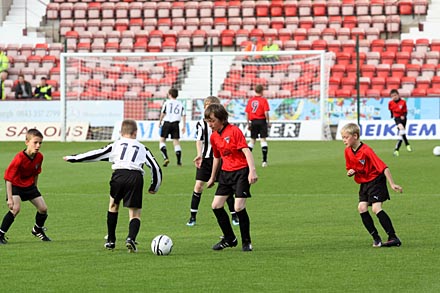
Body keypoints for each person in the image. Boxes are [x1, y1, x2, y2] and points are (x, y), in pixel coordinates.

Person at [64, 119, 162, 252]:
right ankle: (130, 238)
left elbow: (96, 154)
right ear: (136, 132)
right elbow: (155, 167)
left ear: (121, 132)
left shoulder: (116, 144)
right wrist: (154, 186)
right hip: (135, 176)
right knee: (135, 213)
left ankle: (111, 240)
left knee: (113, 206)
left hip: (119, 175)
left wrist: (74, 158)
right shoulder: (143, 148)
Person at [205, 103, 258, 252]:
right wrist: (212, 177)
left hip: (241, 172)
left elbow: (247, 151)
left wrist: (252, 171)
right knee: (216, 206)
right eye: (208, 121)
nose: (210, 124)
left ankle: (246, 242)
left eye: (212, 121)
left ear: (222, 119)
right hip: (225, 174)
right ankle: (229, 238)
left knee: (238, 207)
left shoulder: (234, 131)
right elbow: (217, 158)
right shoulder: (214, 137)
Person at [341, 123, 403, 248]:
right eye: (342, 137)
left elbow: (384, 167)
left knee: (375, 208)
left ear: (355, 136)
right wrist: (351, 172)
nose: (343, 140)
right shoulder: (347, 151)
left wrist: (392, 184)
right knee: (361, 208)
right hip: (364, 182)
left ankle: (393, 237)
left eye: (346, 137)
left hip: (376, 181)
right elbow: (351, 167)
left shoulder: (366, 150)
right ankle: (376, 238)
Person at [187, 96, 238, 227]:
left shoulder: (223, 124)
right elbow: (199, 140)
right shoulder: (201, 123)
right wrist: (199, 154)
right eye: (207, 106)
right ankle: (192, 216)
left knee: (225, 186)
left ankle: (234, 215)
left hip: (221, 159)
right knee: (198, 186)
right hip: (206, 158)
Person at [0, 129, 51, 244]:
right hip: (15, 185)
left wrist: (35, 188)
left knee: (43, 209)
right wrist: (9, 198)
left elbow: (36, 173)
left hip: (29, 185)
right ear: (27, 142)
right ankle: (0, 234)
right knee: (15, 209)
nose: (38, 145)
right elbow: (8, 178)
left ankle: (37, 229)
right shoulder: (19, 158)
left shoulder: (39, 157)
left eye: (40, 143)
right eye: (35, 142)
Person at [158, 88, 186, 167]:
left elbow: (163, 113)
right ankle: (179, 161)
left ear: (169, 94)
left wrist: (160, 122)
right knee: (176, 141)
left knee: (162, 140)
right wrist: (184, 126)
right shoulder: (180, 104)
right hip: (175, 123)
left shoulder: (167, 103)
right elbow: (183, 115)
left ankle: (165, 157)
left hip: (166, 123)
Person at [245, 84, 270, 167]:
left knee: (252, 140)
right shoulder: (264, 100)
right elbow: (266, 112)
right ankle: (264, 161)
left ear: (255, 91)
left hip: (253, 122)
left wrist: (248, 123)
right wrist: (268, 122)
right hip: (262, 121)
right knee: (263, 140)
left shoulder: (250, 101)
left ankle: (245, 160)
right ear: (262, 91)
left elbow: (247, 113)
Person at [388, 89, 412, 156]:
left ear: (398, 95)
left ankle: (397, 150)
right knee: (401, 128)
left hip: (403, 118)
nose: (394, 97)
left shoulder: (403, 102)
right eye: (392, 96)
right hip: (397, 118)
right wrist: (391, 115)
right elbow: (391, 110)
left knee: (401, 134)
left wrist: (404, 116)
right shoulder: (390, 103)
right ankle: (407, 144)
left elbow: (405, 111)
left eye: (395, 95)